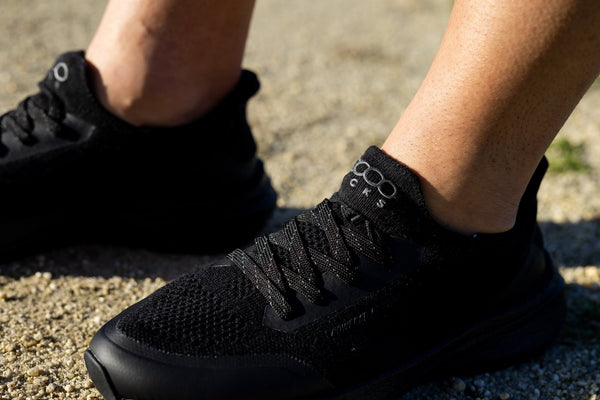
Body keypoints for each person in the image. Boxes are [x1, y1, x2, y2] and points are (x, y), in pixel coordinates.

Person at [1, 0, 598, 398]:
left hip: (468, 247)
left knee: (454, 191)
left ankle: (459, 209)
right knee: (150, 82)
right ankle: (158, 95)